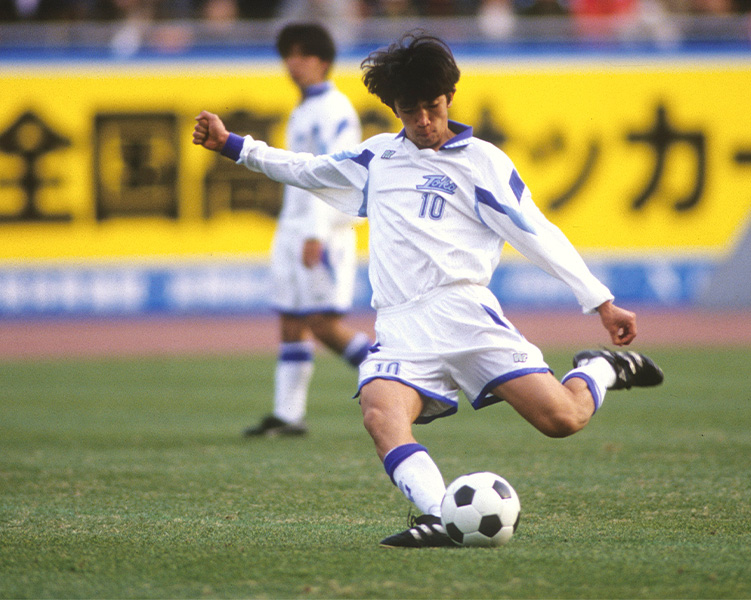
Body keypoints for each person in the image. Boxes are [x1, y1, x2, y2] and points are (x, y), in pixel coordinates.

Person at [193, 31, 663, 546]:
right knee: (380, 413)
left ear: (450, 98)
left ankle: (599, 367)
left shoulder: (481, 162)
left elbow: (537, 233)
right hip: (400, 325)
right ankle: (441, 514)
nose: (423, 121)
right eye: (410, 110)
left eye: (433, 108)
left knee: (562, 419)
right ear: (393, 109)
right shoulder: (378, 160)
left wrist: (600, 300)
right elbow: (307, 169)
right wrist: (235, 147)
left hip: (465, 315)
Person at [242, 23, 373, 437]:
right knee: (291, 321)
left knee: (323, 324)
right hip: (293, 227)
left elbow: (336, 173)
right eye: (288, 55)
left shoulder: (335, 111)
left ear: (324, 62)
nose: (293, 64)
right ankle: (288, 415)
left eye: (302, 55)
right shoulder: (304, 109)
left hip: (323, 231)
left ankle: (395, 376)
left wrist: (316, 231)